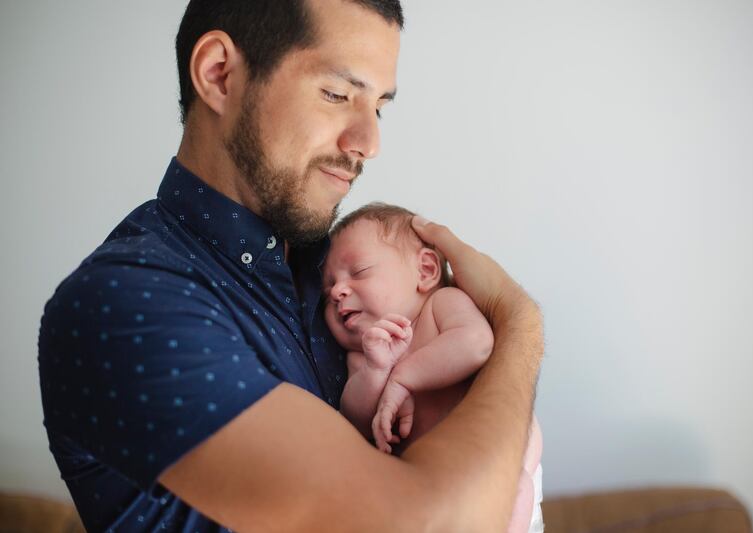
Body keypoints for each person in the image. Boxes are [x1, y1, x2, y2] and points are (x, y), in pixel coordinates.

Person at [38, 0, 543, 531]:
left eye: (379, 107)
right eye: (337, 94)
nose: (369, 144)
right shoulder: (120, 306)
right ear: (219, 75)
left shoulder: (342, 264)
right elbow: (431, 524)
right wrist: (519, 320)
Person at [323, 203, 545, 533]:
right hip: (430, 489)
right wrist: (375, 370)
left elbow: (475, 344)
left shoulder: (441, 307)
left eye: (358, 272)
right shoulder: (365, 352)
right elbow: (355, 415)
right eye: (328, 290)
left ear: (425, 271)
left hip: (500, 466)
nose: (338, 291)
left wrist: (402, 378)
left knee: (515, 491)